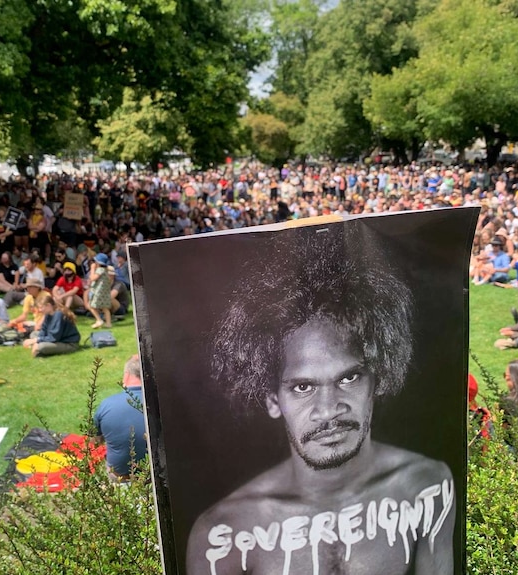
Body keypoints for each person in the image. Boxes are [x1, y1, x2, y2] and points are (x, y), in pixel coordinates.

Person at [187, 234, 455, 575]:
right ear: (272, 399)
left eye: (348, 378)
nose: (328, 410)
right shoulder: (222, 535)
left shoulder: (426, 487)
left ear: (379, 378)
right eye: (302, 387)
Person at [92, 354, 147, 481]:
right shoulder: (162, 403)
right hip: (158, 476)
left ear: (127, 375)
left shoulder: (107, 405)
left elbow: (95, 442)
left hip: (121, 476)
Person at [87, 253, 113, 329]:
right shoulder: (105, 270)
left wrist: (92, 269)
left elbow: (92, 278)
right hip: (104, 293)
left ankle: (99, 320)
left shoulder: (99, 270)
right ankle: (108, 323)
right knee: (105, 308)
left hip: (98, 292)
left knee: (91, 306)